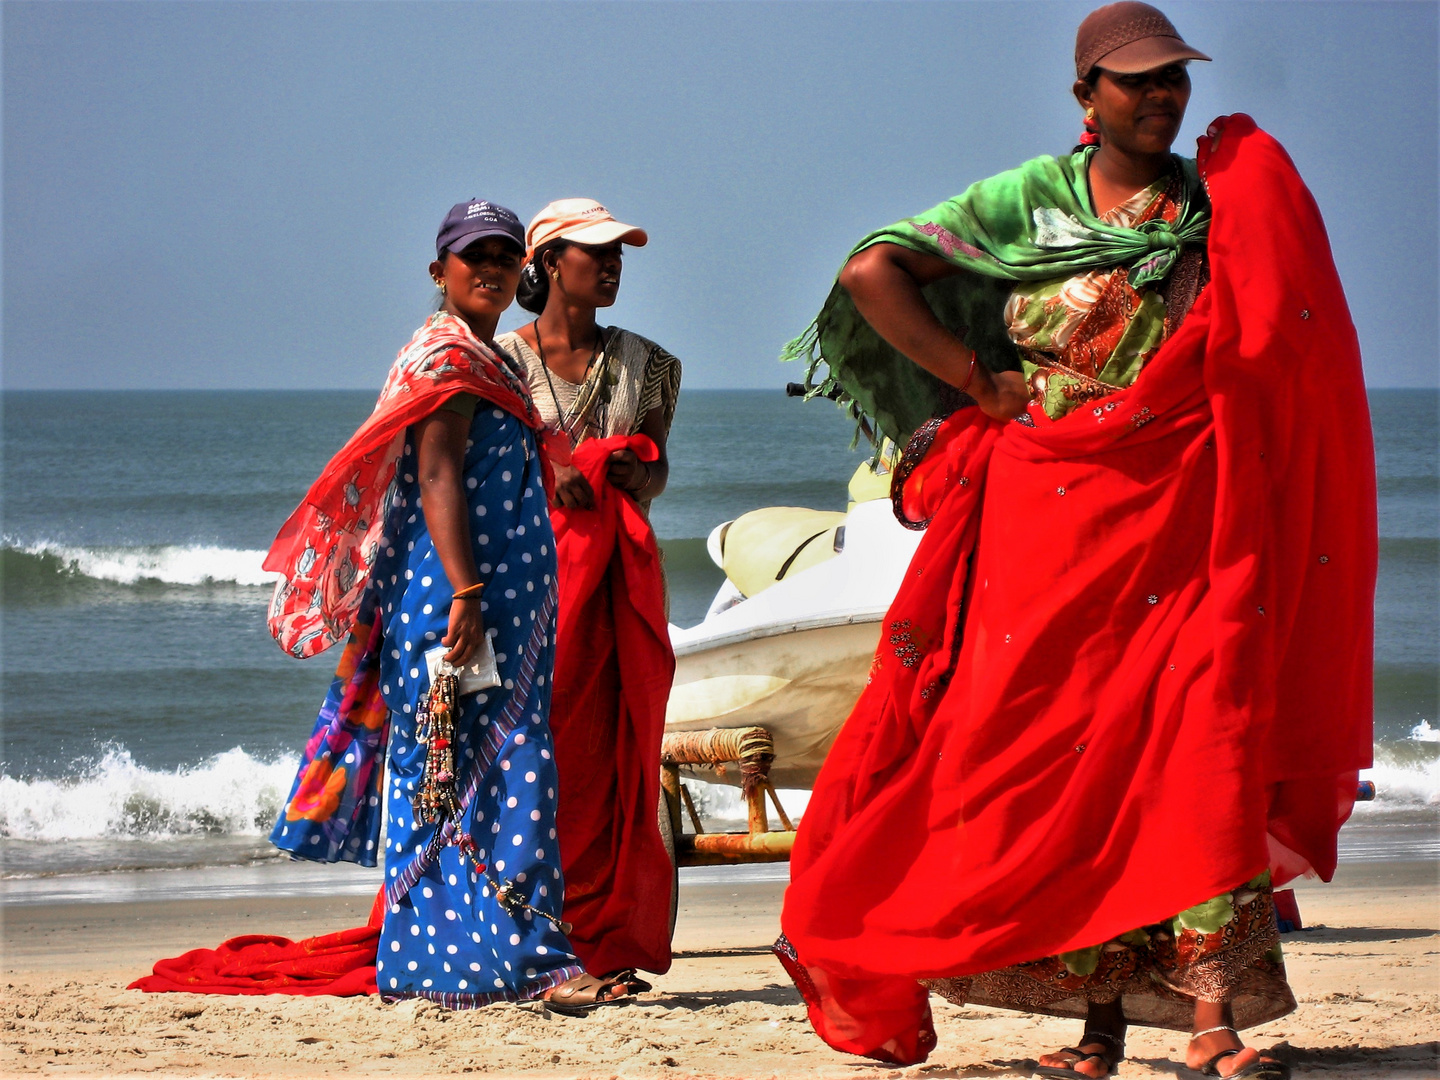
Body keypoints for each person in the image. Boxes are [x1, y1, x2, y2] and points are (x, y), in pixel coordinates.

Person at [774, 5, 1375, 1079]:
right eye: (1135, 81)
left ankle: (1211, 1027)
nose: (1161, 98)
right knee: (1067, 765)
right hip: (1046, 526)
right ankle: (1097, 1030)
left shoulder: (1212, 205)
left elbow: (1282, 336)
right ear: (1084, 94)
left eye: (1174, 82)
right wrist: (977, 385)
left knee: (1197, 747)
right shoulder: (1024, 203)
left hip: (1190, 522)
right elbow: (873, 272)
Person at [133, 199, 632, 1012]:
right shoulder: (446, 358)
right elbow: (437, 478)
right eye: (476, 257)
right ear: (440, 272)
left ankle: (459, 963)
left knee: (464, 771)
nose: (493, 270)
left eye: (506, 258)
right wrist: (467, 593)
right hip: (455, 605)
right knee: (488, 767)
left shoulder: (482, 357)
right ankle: (529, 963)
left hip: (485, 604)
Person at [493, 199, 681, 991]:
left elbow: (659, 468)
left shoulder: (654, 365)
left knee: (607, 762)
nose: (610, 266)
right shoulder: (500, 362)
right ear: (545, 266)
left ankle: (600, 939)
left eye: (618, 255)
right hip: (529, 592)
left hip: (612, 594)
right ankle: (519, 936)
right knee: (526, 756)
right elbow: (484, 476)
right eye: (593, 252)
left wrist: (639, 474)